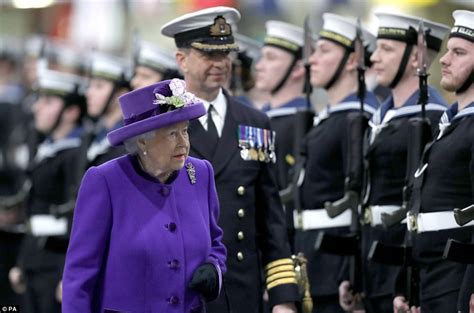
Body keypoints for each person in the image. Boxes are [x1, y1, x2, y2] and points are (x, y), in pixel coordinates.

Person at [161, 6, 299, 313]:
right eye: (209, 55)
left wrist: (283, 296)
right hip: (179, 287)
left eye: (225, 54)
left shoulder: (254, 122)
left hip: (240, 289)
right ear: (181, 60)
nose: (221, 64)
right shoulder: (163, 122)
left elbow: (270, 215)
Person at [62, 78, 226, 312]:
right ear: (142, 140)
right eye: (172, 134)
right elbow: (80, 272)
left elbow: (216, 241)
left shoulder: (199, 174)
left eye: (185, 131)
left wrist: (214, 267)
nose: (184, 143)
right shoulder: (106, 181)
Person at [351, 12, 450, 313]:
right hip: (372, 258)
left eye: (387, 49)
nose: (375, 58)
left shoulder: (432, 116)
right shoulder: (381, 116)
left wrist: (412, 281)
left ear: (415, 57)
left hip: (402, 260)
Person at [293, 13, 379, 313]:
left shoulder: (360, 117)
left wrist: (351, 275)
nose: (311, 60)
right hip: (311, 263)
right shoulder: (329, 117)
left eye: (324, 51)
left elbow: (361, 202)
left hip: (337, 271)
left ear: (353, 60)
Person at [392, 10, 473, 313]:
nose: (444, 59)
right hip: (431, 278)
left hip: (457, 281)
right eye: (447, 51)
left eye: (459, 52)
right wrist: (405, 284)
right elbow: (419, 209)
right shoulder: (449, 125)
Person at [8, 69, 86, 313]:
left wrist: (69, 274)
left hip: (56, 267)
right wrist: (22, 262)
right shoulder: (46, 147)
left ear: (71, 112)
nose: (37, 108)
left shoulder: (75, 155)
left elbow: (79, 221)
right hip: (34, 261)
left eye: (48, 101)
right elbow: (35, 209)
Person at [255, 20, 306, 194]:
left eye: (270, 58)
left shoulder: (303, 121)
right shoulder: (258, 119)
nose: (259, 66)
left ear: (297, 68)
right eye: (262, 57)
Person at [84, 52, 131, 167]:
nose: (88, 93)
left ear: (122, 93)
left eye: (99, 86)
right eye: (90, 85)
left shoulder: (127, 148)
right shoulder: (92, 136)